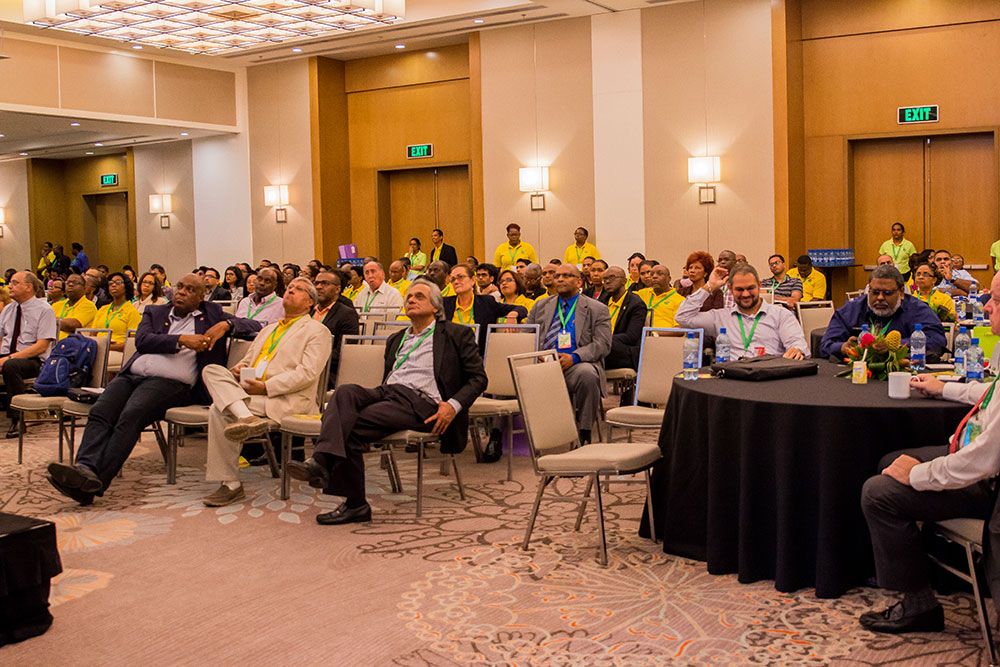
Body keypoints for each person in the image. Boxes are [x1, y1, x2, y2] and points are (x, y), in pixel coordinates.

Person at [858, 270, 1000, 635]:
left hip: (989, 485)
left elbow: (985, 459)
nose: (986, 306)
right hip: (978, 459)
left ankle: (919, 606)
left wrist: (918, 476)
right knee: (890, 463)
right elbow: (992, 394)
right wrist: (945, 388)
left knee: (879, 492)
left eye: (995, 301)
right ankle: (919, 575)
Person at [44, 274, 262, 505]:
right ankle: (85, 468)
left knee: (131, 415)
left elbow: (257, 326)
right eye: (180, 286)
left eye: (190, 289)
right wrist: (181, 340)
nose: (182, 292)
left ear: (201, 297)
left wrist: (227, 324)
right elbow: (143, 341)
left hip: (171, 383)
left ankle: (93, 482)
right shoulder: (155, 312)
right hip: (131, 376)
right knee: (101, 411)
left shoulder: (212, 314)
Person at [286, 279, 487, 525]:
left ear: (436, 307)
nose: (411, 299)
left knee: (347, 425)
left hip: (423, 403)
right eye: (409, 296)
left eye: (419, 296)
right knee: (345, 392)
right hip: (389, 393)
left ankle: (340, 485)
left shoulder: (456, 334)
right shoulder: (396, 338)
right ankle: (332, 474)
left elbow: (478, 378)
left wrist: (453, 406)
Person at [200, 278, 332, 506]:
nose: (290, 290)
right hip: (251, 394)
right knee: (211, 370)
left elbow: (307, 373)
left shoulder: (317, 331)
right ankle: (246, 417)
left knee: (218, 409)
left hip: (286, 398)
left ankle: (231, 484)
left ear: (310, 302)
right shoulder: (269, 329)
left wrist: (266, 387)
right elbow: (248, 360)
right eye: (289, 288)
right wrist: (238, 370)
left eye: (298, 289)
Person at [526, 264, 611, 444]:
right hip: (541, 364)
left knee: (588, 375)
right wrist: (535, 355)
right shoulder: (540, 306)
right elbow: (525, 336)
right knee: (507, 369)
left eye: (566, 276)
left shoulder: (597, 309)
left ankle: (584, 432)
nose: (560, 279)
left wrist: (574, 357)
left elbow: (603, 344)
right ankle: (496, 434)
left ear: (579, 282)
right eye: (557, 276)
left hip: (574, 365)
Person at [676, 264, 809, 359]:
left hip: (770, 378)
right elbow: (683, 317)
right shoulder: (721, 317)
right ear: (730, 289)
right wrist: (709, 286)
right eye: (739, 289)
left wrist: (797, 350)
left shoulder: (781, 315)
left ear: (759, 285)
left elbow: (799, 345)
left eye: (750, 288)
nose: (745, 294)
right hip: (734, 381)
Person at [819, 264, 946, 360]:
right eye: (875, 292)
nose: (880, 298)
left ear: (901, 292)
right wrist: (843, 347)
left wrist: (892, 345)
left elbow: (937, 341)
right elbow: (826, 345)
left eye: (887, 293)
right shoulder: (852, 310)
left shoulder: (918, 310)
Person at [0, 272, 57, 437]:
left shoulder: (44, 310)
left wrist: (8, 358)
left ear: (28, 287)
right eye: (10, 283)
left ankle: (18, 419)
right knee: (9, 363)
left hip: (33, 360)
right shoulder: (8, 309)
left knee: (11, 366)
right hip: (7, 355)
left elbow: (41, 346)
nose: (10, 286)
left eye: (15, 283)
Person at [442, 263, 527, 352]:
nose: (456, 282)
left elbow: (522, 309)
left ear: (473, 280)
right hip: (450, 354)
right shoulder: (444, 303)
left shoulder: (486, 302)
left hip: (478, 355)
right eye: (453, 279)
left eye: (460, 277)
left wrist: (513, 314)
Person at [313, 271, 359, 388]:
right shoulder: (308, 311)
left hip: (328, 371)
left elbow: (343, 351)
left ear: (337, 289)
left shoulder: (347, 314)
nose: (318, 287)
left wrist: (311, 359)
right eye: (316, 283)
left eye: (325, 283)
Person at [601, 267, 646, 385]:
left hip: (623, 351)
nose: (607, 281)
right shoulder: (602, 302)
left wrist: (604, 340)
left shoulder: (636, 304)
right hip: (602, 348)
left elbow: (631, 337)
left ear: (624, 281)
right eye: (604, 279)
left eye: (612, 277)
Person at [94, 272, 142, 368]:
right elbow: (93, 334)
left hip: (118, 351)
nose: (114, 285)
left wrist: (108, 346)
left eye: (118, 282)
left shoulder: (131, 312)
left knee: (98, 360)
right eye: (111, 283)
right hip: (99, 348)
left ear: (126, 287)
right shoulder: (102, 309)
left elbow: (132, 344)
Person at [51, 273, 97, 340]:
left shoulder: (89, 306)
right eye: (68, 282)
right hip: (52, 343)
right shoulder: (57, 305)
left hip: (74, 344)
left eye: (75, 282)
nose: (70, 284)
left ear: (84, 288)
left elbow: (72, 325)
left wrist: (50, 320)